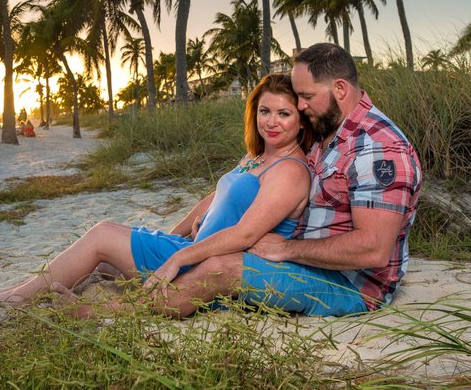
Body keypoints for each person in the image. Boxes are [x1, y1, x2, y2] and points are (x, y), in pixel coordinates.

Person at [0, 74, 314, 307]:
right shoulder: (256, 156)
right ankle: (21, 290)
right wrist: (173, 237)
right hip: (193, 249)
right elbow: (212, 200)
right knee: (106, 252)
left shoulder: (289, 171)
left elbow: (245, 233)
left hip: (205, 266)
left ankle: (18, 297)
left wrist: (177, 257)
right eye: (264, 110)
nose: (271, 121)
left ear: (301, 120)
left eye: (283, 113)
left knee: (103, 235)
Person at [148, 42, 422, 318]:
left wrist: (286, 249)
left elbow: (373, 250)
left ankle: (122, 310)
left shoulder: (379, 148)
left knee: (221, 267)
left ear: (340, 89)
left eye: (307, 96)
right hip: (304, 262)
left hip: (349, 286)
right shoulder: (325, 129)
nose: (300, 106)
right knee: (196, 253)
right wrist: (215, 216)